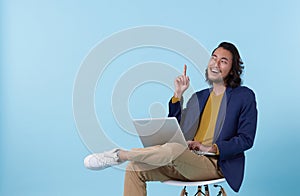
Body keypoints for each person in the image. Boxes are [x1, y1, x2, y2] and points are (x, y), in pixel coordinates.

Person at [84, 42, 258, 195]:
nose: (216, 64)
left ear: (233, 69)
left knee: (173, 149)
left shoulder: (244, 96)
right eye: (214, 58)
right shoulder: (199, 97)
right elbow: (176, 129)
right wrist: (178, 95)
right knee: (134, 169)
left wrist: (210, 148)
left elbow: (246, 140)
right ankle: (126, 158)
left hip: (215, 164)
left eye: (223, 61)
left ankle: (119, 155)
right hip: (186, 159)